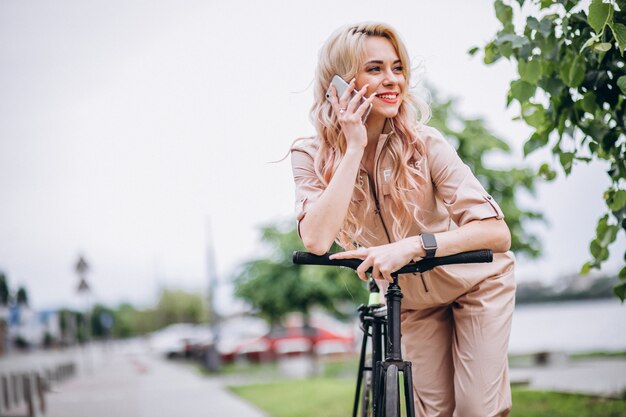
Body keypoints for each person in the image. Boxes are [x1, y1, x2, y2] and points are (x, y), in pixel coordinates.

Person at [290, 22, 516, 417]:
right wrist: (354, 146)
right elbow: (317, 240)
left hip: (477, 282)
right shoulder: (309, 154)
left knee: (477, 410)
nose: (392, 80)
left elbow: (496, 232)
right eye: (374, 69)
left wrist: (413, 246)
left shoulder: (426, 144)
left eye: (397, 68)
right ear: (339, 84)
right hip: (411, 302)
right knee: (432, 413)